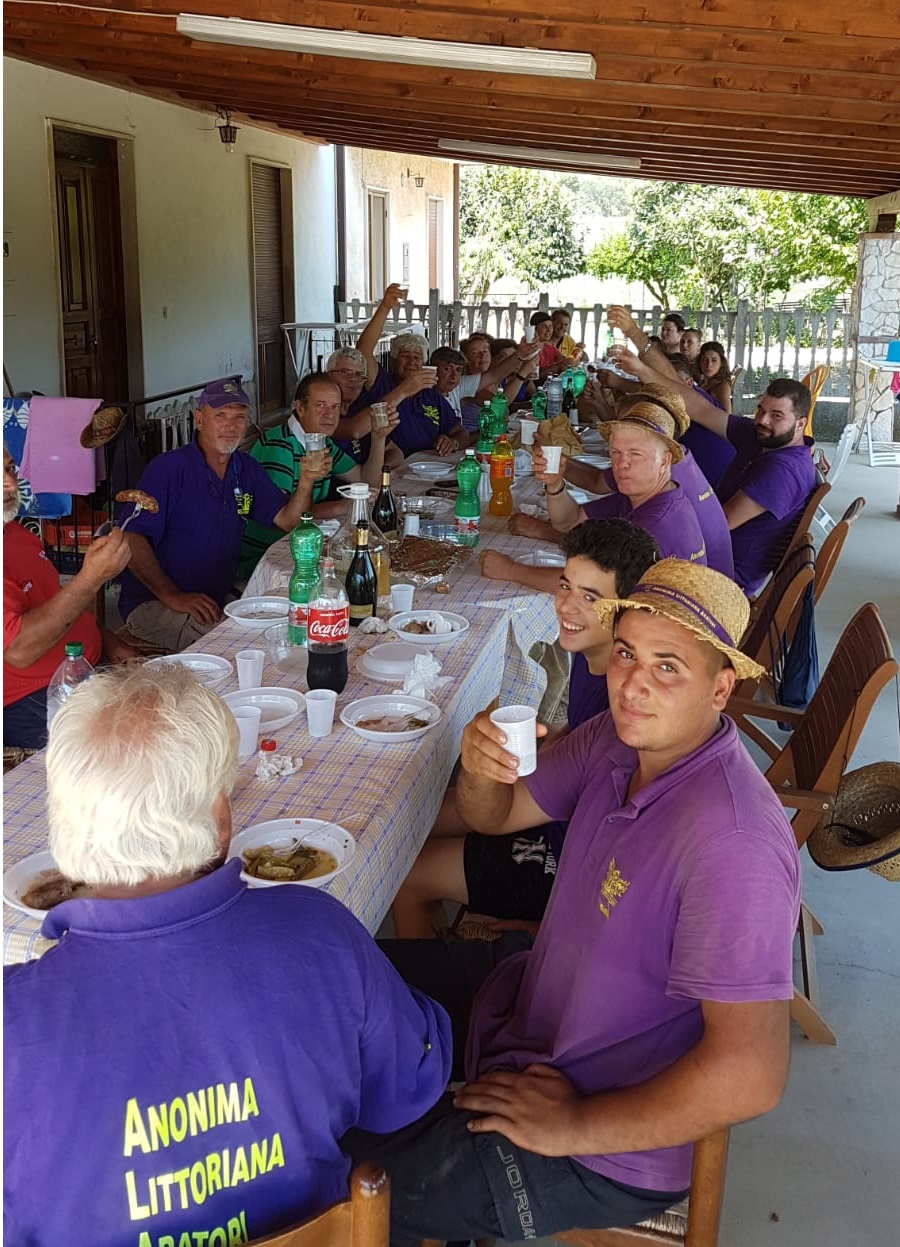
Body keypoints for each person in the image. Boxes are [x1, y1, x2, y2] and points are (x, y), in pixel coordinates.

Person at [346, 560, 800, 1245]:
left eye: (668, 666)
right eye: (627, 653)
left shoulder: (732, 842)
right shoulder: (617, 741)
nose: (633, 683)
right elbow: (498, 814)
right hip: (528, 1003)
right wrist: (481, 770)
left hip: (604, 1139)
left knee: (337, 1170)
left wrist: (574, 1125)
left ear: (720, 688)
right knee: (344, 983)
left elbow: (753, 1073)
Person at [3, 664, 452, 1247]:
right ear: (222, 821)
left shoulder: (13, 1026)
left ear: (64, 826)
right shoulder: (318, 931)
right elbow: (404, 1093)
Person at [393, 519, 660, 939]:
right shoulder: (595, 654)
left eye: (590, 597)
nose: (566, 606)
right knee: (414, 819)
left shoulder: (625, 703)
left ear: (627, 608)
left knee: (408, 875)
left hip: (568, 862)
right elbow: (577, 737)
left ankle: (439, 975)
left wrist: (552, 928)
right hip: (553, 813)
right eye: (565, 585)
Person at [116, 377, 322, 653]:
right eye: (220, 415)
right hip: (154, 603)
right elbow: (131, 538)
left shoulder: (245, 469)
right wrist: (172, 596)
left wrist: (306, 482)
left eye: (239, 417)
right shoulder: (168, 468)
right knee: (241, 648)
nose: (231, 425)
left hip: (214, 599)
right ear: (199, 419)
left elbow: (288, 520)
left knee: (289, 625)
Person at [3, 448, 137, 748]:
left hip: (81, 668)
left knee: (177, 701)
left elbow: (58, 606)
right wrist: (91, 578)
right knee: (131, 742)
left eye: (9, 469)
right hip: (30, 698)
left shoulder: (18, 534)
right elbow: (19, 651)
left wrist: (109, 641)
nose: (10, 484)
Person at [238, 374, 399, 578]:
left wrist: (378, 437)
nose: (330, 415)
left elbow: (366, 482)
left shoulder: (322, 443)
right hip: (265, 558)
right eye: (320, 405)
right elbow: (288, 518)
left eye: (335, 407)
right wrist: (341, 506)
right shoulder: (279, 445)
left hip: (302, 546)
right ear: (300, 408)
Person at [539, 401, 708, 566]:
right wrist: (554, 484)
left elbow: (590, 580)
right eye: (615, 452)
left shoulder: (656, 525)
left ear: (664, 461)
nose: (621, 463)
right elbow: (570, 521)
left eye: (635, 454)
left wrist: (517, 568)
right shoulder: (639, 495)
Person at [323, 345, 404, 469]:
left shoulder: (361, 406)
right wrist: (404, 391)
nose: (353, 379)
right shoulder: (323, 410)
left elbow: (395, 452)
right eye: (344, 372)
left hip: (363, 479)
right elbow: (353, 431)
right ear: (328, 376)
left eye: (359, 375)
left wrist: (382, 470)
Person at [529, 311, 569, 379]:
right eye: (544, 327)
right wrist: (558, 366)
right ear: (534, 329)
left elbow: (564, 360)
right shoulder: (529, 349)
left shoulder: (549, 348)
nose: (549, 330)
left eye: (550, 326)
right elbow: (536, 377)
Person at [697, 341, 733, 412]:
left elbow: (727, 415)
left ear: (721, 363)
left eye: (714, 360)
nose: (708, 364)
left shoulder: (722, 387)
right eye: (704, 360)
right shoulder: (704, 382)